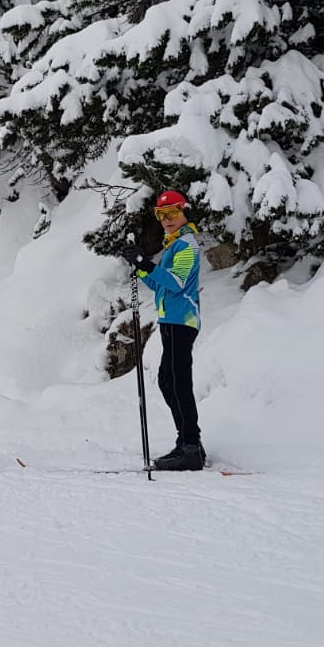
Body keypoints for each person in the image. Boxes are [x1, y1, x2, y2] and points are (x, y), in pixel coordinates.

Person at [121, 190, 205, 471]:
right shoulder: (174, 245)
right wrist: (141, 268)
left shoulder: (187, 246)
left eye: (172, 213)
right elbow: (160, 285)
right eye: (161, 214)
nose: (167, 219)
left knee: (178, 381)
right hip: (170, 321)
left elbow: (177, 282)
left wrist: (145, 263)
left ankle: (191, 447)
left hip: (183, 321)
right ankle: (187, 442)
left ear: (184, 212)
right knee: (167, 380)